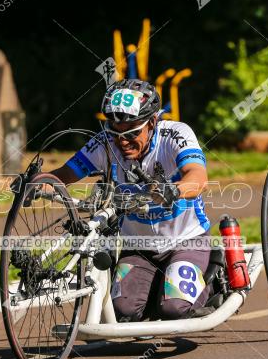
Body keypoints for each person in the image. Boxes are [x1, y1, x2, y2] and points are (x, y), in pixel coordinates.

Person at [48, 79, 211, 321]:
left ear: (153, 122)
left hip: (186, 240)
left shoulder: (175, 134)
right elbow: (64, 175)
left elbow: (198, 176)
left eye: (133, 131)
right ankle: (159, 286)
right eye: (115, 132)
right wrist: (34, 183)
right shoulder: (105, 142)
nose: (123, 140)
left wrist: (174, 191)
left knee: (174, 309)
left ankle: (214, 276)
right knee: (123, 311)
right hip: (139, 248)